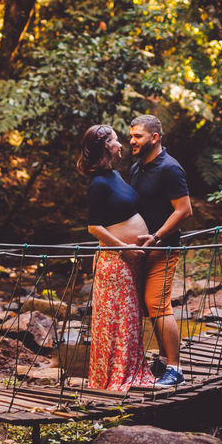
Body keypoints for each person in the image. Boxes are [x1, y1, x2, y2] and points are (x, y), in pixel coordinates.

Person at [78, 124, 154, 391]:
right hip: (114, 262)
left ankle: (130, 371)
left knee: (130, 320)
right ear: (104, 147)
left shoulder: (116, 176)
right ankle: (113, 378)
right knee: (115, 322)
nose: (121, 144)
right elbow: (93, 227)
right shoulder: (98, 183)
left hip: (128, 262)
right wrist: (123, 247)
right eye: (115, 140)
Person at [128, 114, 193, 387]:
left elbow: (185, 210)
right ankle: (165, 360)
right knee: (148, 306)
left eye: (137, 136)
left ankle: (176, 369)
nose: (131, 140)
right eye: (130, 136)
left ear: (154, 138)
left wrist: (157, 236)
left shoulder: (170, 168)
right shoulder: (137, 168)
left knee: (158, 305)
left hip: (163, 249)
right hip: (140, 252)